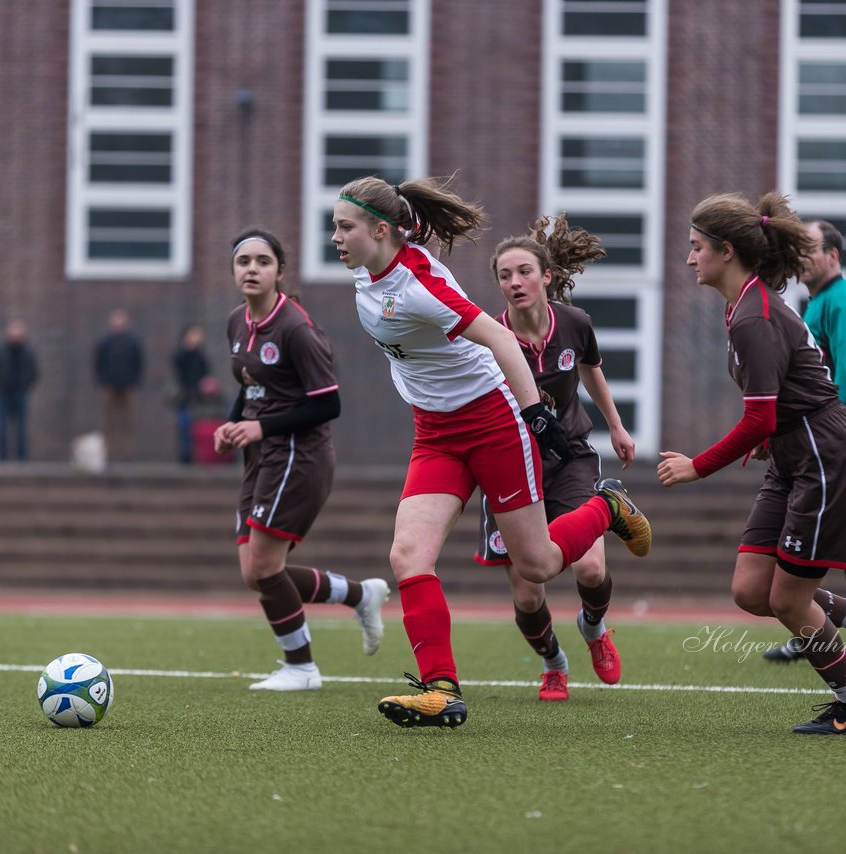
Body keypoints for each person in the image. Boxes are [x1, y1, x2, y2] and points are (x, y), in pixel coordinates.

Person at [332, 175, 652, 729]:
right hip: (434, 432)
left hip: (493, 422)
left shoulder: (416, 284)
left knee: (540, 565)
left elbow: (501, 339)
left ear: (379, 230)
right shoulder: (372, 267)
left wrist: (534, 413)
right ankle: (440, 690)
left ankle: (608, 507)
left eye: (344, 227)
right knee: (408, 555)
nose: (334, 237)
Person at [655, 191, 846, 735]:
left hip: (825, 455)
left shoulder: (753, 314)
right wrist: (767, 437)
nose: (690, 258)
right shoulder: (742, 305)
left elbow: (761, 417)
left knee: (787, 599)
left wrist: (698, 465)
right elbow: (776, 407)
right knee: (751, 590)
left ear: (725, 250)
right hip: (795, 453)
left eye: (696, 248)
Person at [214, 227, 390, 691]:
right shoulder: (237, 321)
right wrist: (234, 425)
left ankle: (302, 668)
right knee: (256, 572)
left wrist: (261, 426)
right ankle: (359, 594)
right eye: (243, 261)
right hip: (260, 455)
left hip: (299, 455)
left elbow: (328, 405)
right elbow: (249, 385)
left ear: (280, 272)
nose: (251, 269)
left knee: (265, 569)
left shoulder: (297, 328)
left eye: (262, 261)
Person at [472, 213, 634, 702]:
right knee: (527, 591)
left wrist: (617, 425)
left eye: (524, 271)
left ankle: (594, 628)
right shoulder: (486, 337)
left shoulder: (575, 322)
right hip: (509, 464)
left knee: (589, 568)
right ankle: (553, 664)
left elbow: (591, 371)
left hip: (572, 457)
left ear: (546, 276)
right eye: (505, 275)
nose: (514, 282)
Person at [763, 219, 846, 667]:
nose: (802, 258)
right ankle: (810, 626)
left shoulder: (842, 301)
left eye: (811, 249)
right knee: (817, 534)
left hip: (839, 431)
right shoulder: (817, 303)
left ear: (834, 255)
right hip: (823, 433)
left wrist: (833, 438)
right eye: (799, 251)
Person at [94, 309, 145, 463]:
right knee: (107, 422)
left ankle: (127, 455)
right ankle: (107, 455)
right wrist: (102, 381)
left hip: (128, 386)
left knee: (127, 422)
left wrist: (134, 381)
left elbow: (139, 363)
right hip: (109, 386)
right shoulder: (105, 342)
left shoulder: (133, 342)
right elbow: (98, 363)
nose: (118, 323)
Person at [0, 319, 40, 461]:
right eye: (13, 331)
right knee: (2, 427)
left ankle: (22, 457)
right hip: (3, 393)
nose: (15, 334)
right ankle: (2, 456)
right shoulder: (0, 350)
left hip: (20, 392)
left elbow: (34, 372)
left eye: (19, 331)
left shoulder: (28, 352)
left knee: (22, 428)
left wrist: (26, 386)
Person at [171, 324, 211, 464]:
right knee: (184, 425)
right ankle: (185, 456)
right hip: (184, 396)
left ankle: (198, 455)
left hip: (199, 398)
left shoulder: (201, 355)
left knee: (197, 427)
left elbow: (206, 374)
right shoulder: (180, 354)